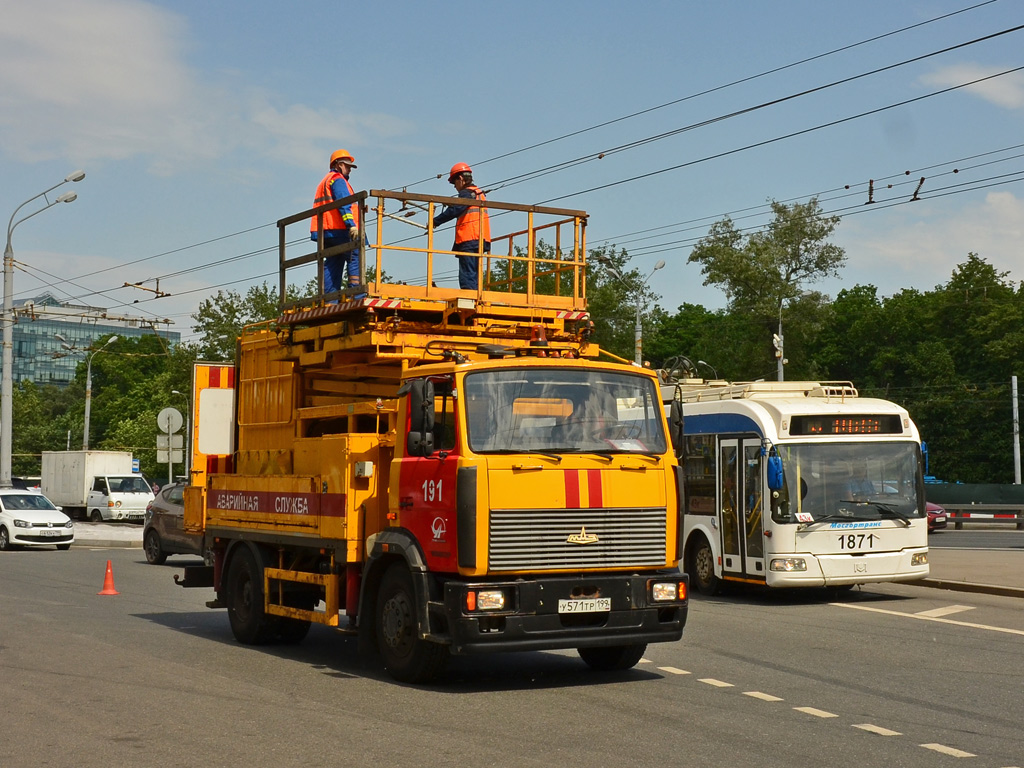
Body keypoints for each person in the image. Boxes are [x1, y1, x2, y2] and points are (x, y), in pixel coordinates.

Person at [432, 162, 490, 290]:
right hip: (481, 239)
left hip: (469, 238)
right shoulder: (479, 193)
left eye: (454, 183)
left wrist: (435, 221)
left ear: (460, 179)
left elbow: (456, 209)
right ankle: (476, 294)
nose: (455, 187)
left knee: (467, 272)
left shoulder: (466, 193)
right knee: (475, 272)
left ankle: (469, 296)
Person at [310, 149, 361, 295]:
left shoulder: (325, 180)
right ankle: (356, 294)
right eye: (347, 166)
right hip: (339, 228)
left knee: (334, 260)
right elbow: (344, 204)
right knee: (355, 252)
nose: (350, 169)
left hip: (325, 232)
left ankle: (330, 299)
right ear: (338, 165)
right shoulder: (338, 180)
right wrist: (351, 225)